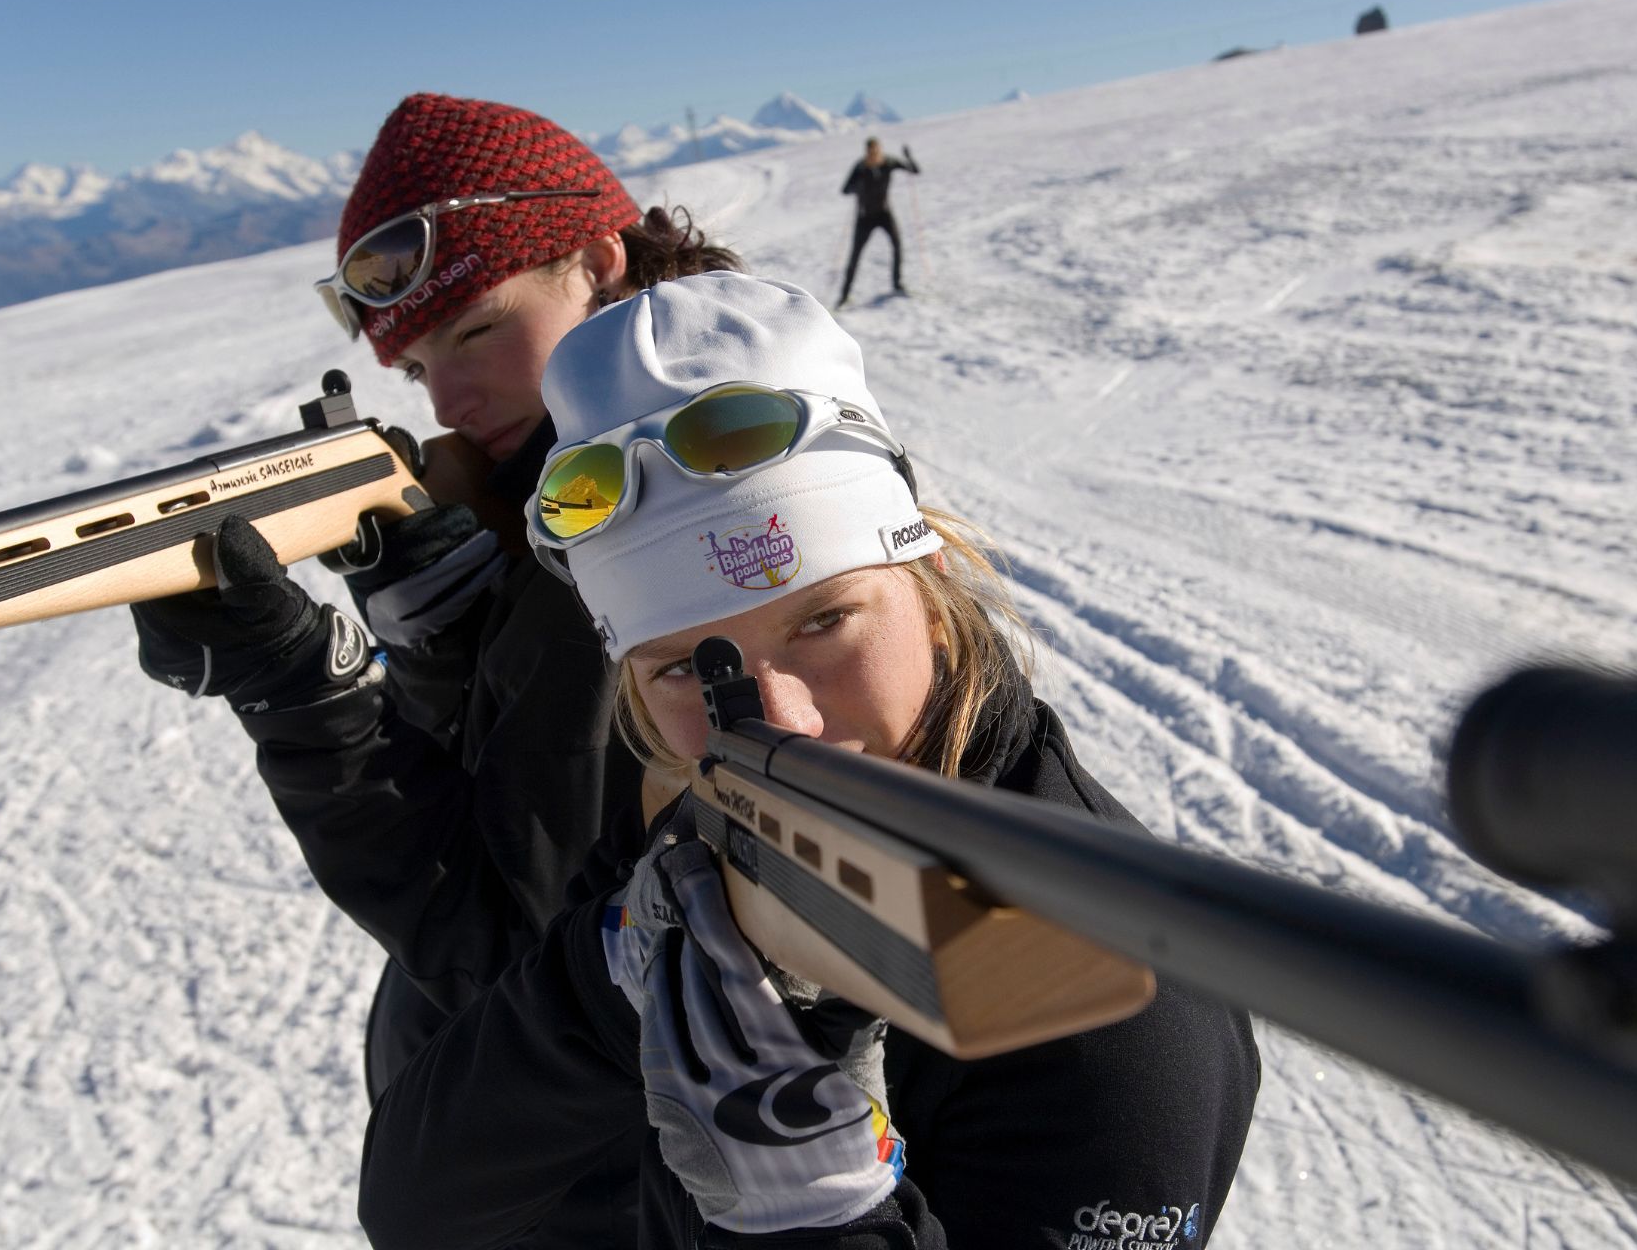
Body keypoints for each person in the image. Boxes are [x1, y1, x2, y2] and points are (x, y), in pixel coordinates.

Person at [355, 271, 1260, 1248]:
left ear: (928, 576)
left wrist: (827, 1222)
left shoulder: (1117, 1000)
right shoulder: (708, 830)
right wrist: (600, 988)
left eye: (824, 620)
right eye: (680, 668)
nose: (776, 720)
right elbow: (419, 1206)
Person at [126, 93, 743, 1244]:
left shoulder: (646, 536)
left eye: (475, 330)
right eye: (415, 368)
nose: (450, 399)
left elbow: (503, 956)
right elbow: (526, 825)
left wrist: (307, 698)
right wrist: (447, 654)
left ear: (599, 260)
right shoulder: (592, 497)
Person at [837, 137, 919, 307]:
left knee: (897, 245)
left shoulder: (888, 162)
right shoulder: (860, 167)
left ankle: (897, 284)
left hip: (884, 213)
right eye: (870, 151)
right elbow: (845, 189)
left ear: (880, 149)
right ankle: (844, 296)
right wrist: (856, 186)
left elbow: (914, 170)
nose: (873, 154)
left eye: (876, 151)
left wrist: (909, 157)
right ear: (866, 151)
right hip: (864, 217)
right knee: (855, 256)